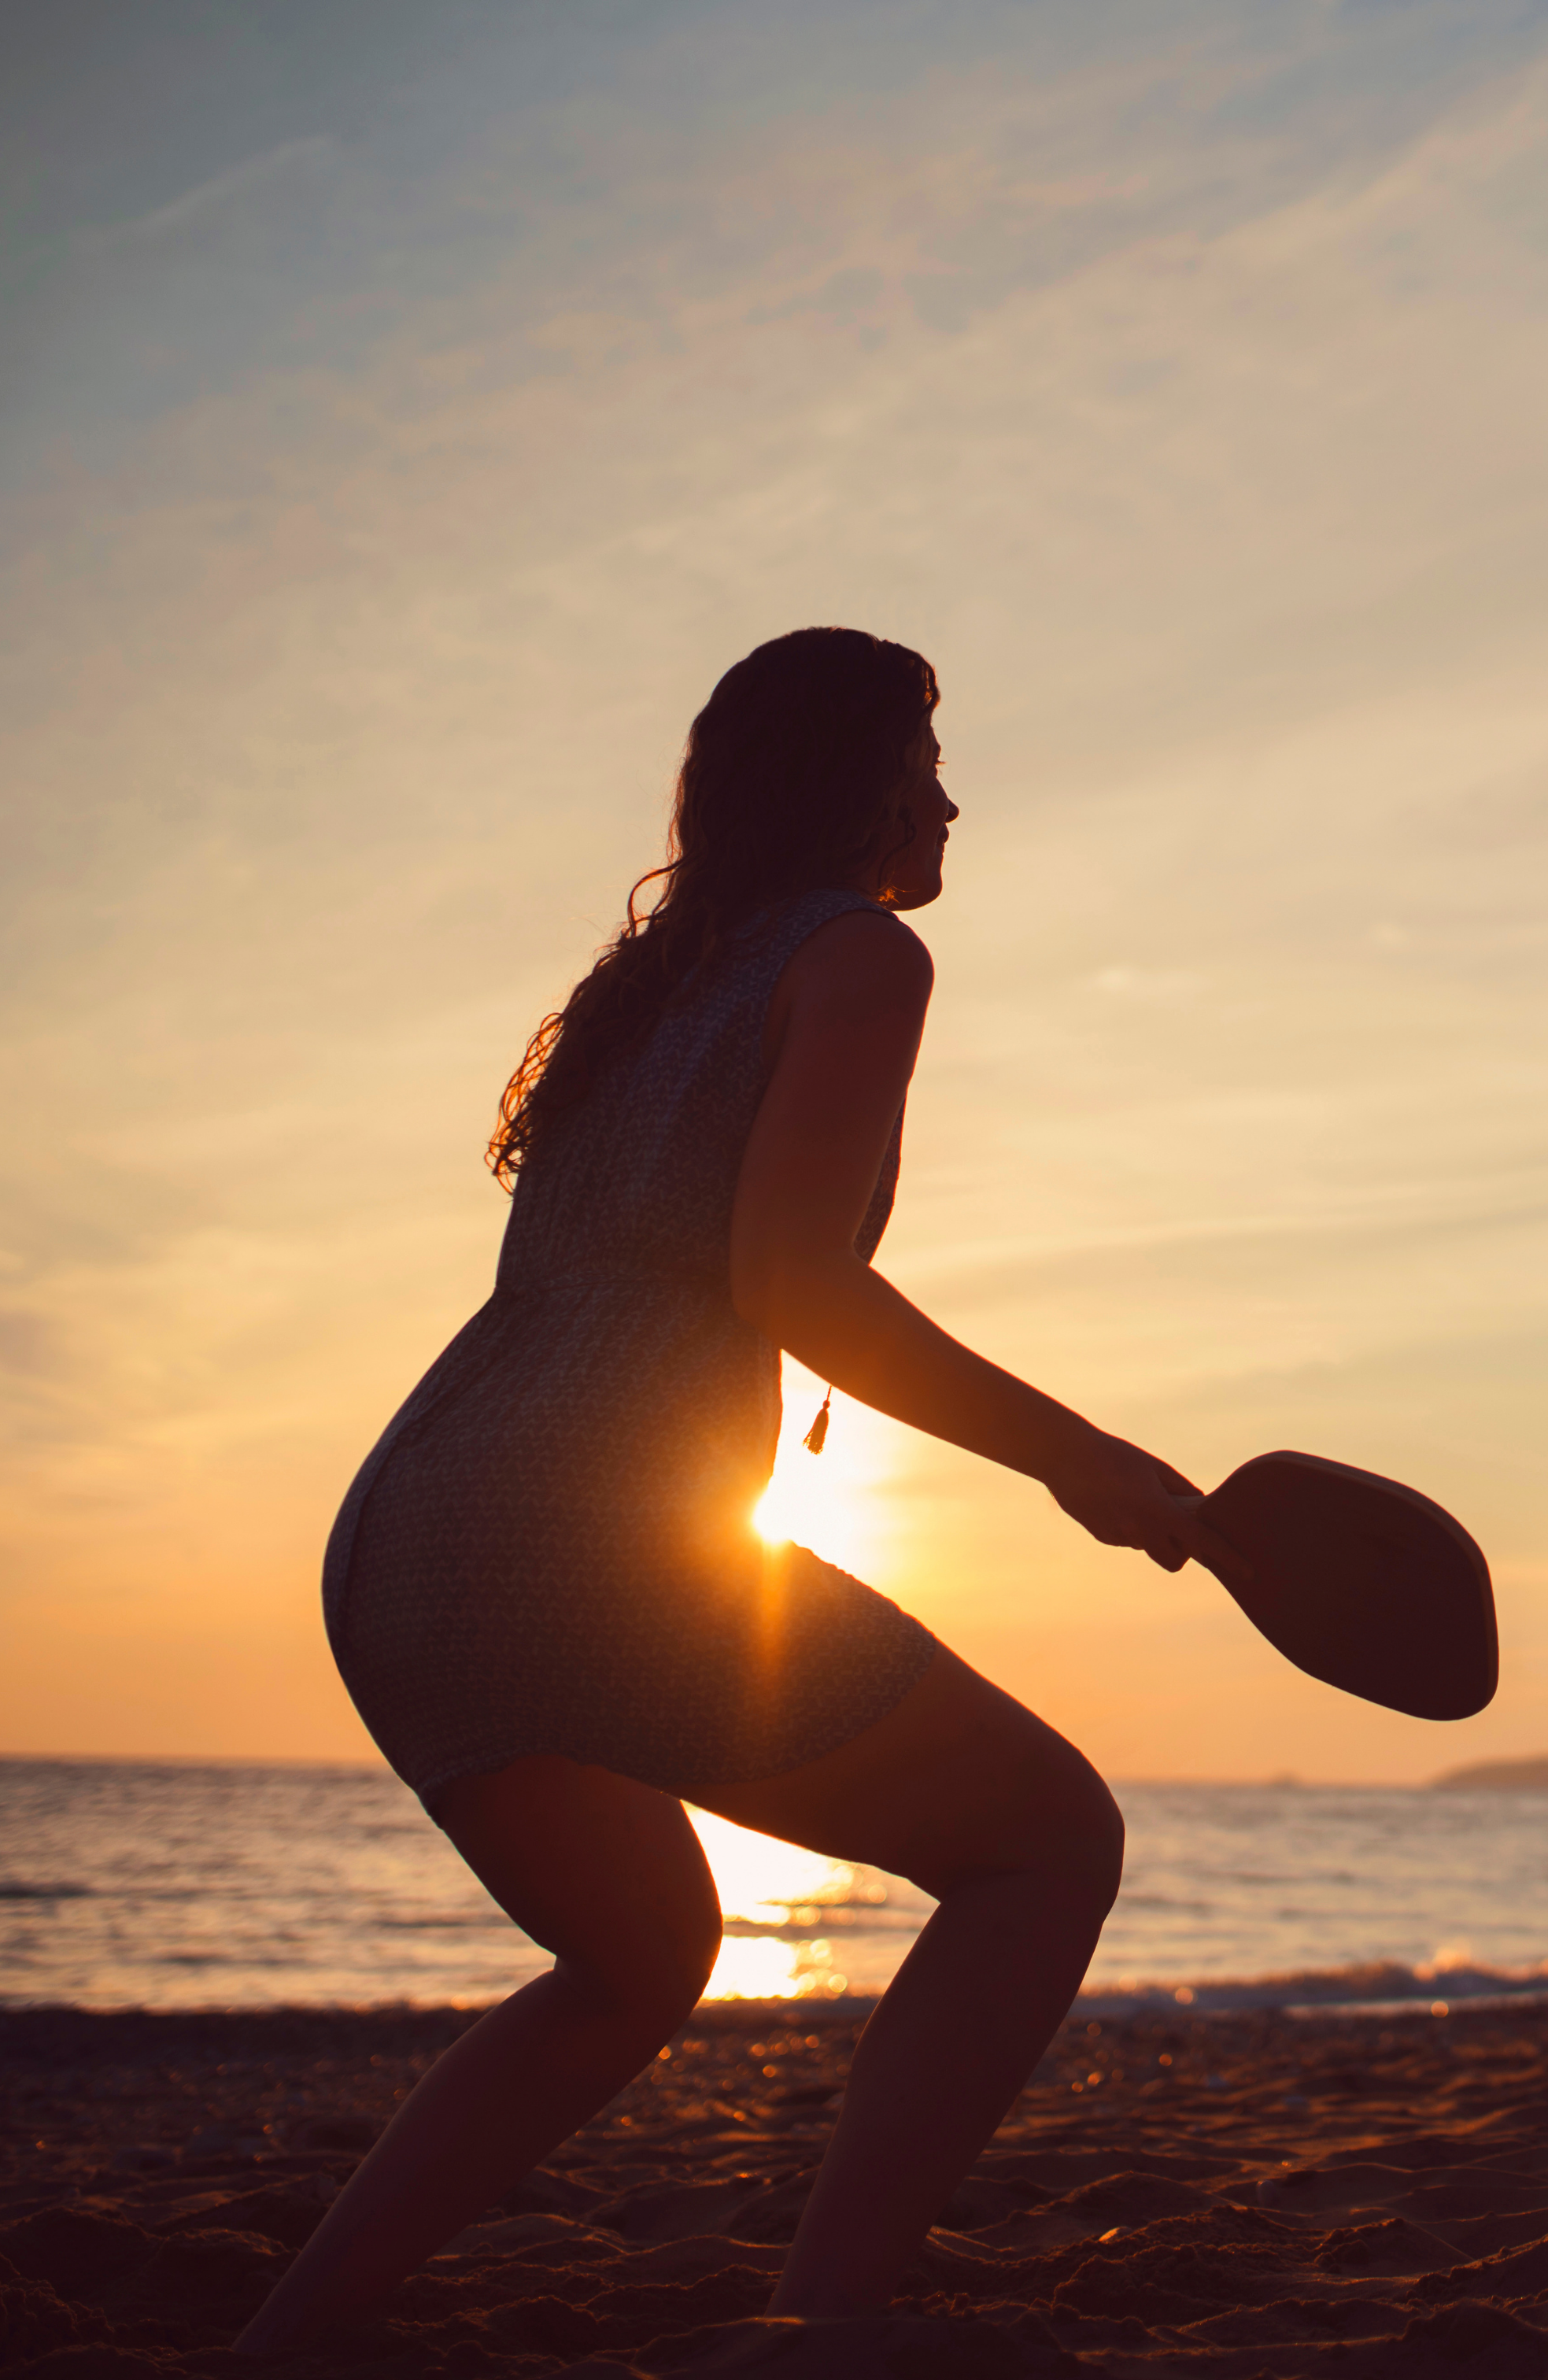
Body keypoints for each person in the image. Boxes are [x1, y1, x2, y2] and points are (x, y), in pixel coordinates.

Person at [238, 629, 1244, 2352]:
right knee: (1050, 1840)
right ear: (852, 783)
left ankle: (290, 2336)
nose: (950, 798)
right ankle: (829, 2314)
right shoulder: (854, 959)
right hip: (586, 1531)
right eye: (924, 762)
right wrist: (1080, 1460)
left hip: (404, 1532)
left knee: (637, 1958)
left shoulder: (651, 977)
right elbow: (799, 1288)